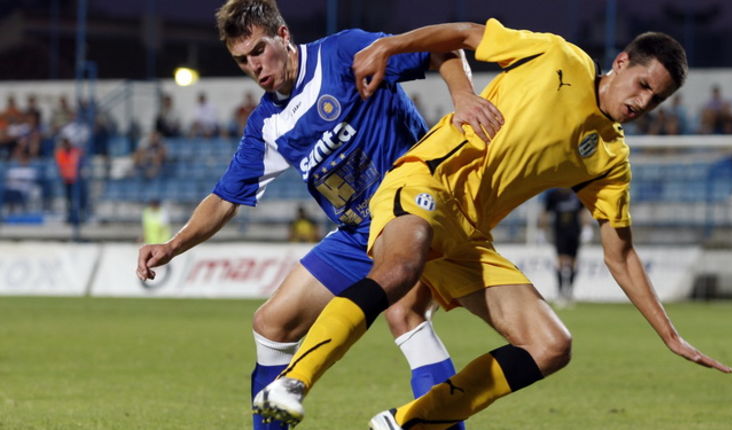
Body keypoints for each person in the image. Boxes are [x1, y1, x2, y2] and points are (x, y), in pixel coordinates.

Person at [253, 19, 732, 429]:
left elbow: (620, 253)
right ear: (623, 62)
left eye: (658, 99)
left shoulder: (610, 157)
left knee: (551, 345)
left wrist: (669, 335)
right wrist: (388, 46)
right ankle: (293, 381)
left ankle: (407, 422)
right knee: (399, 269)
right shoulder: (557, 57)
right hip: (424, 181)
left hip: (466, 237)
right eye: (644, 85)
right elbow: (463, 34)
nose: (645, 102)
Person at [135, 1, 502, 429]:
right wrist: (172, 245)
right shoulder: (267, 124)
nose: (254, 66)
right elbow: (225, 198)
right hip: (358, 233)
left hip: (416, 210)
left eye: (258, 50)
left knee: (405, 313)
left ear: (284, 36)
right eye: (241, 59)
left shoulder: (344, 52)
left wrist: (464, 99)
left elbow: (442, 49)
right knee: (272, 324)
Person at [542, 188, 588, 305]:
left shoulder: (577, 194)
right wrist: (542, 230)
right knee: (561, 262)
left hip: (574, 233)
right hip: (559, 233)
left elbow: (583, 212)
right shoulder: (553, 195)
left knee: (573, 263)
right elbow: (545, 213)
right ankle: (560, 293)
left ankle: (569, 292)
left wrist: (586, 228)